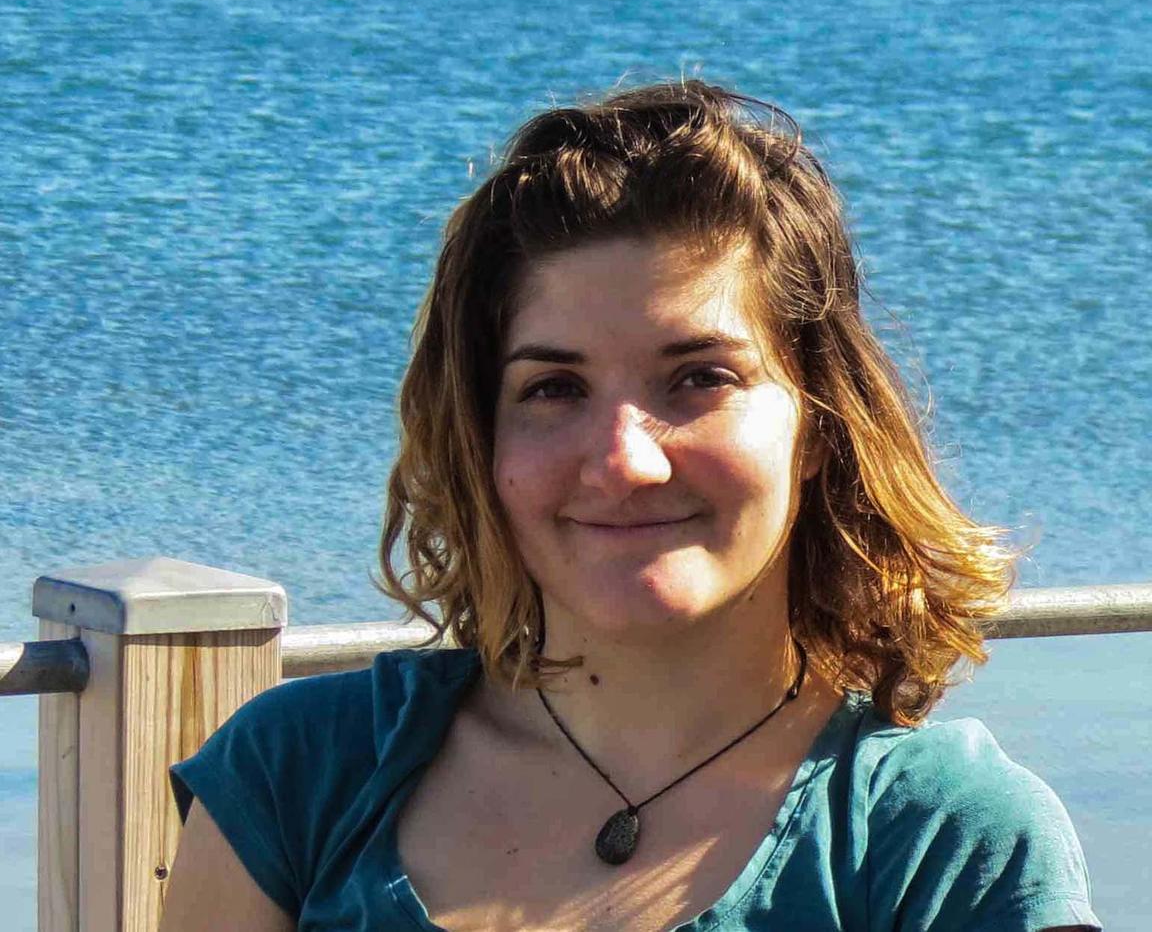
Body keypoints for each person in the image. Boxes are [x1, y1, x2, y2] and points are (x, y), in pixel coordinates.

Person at [160, 81, 1101, 931]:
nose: (624, 460)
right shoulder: (298, 776)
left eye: (699, 377)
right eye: (554, 388)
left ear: (819, 421)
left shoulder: (943, 845)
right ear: (481, 440)